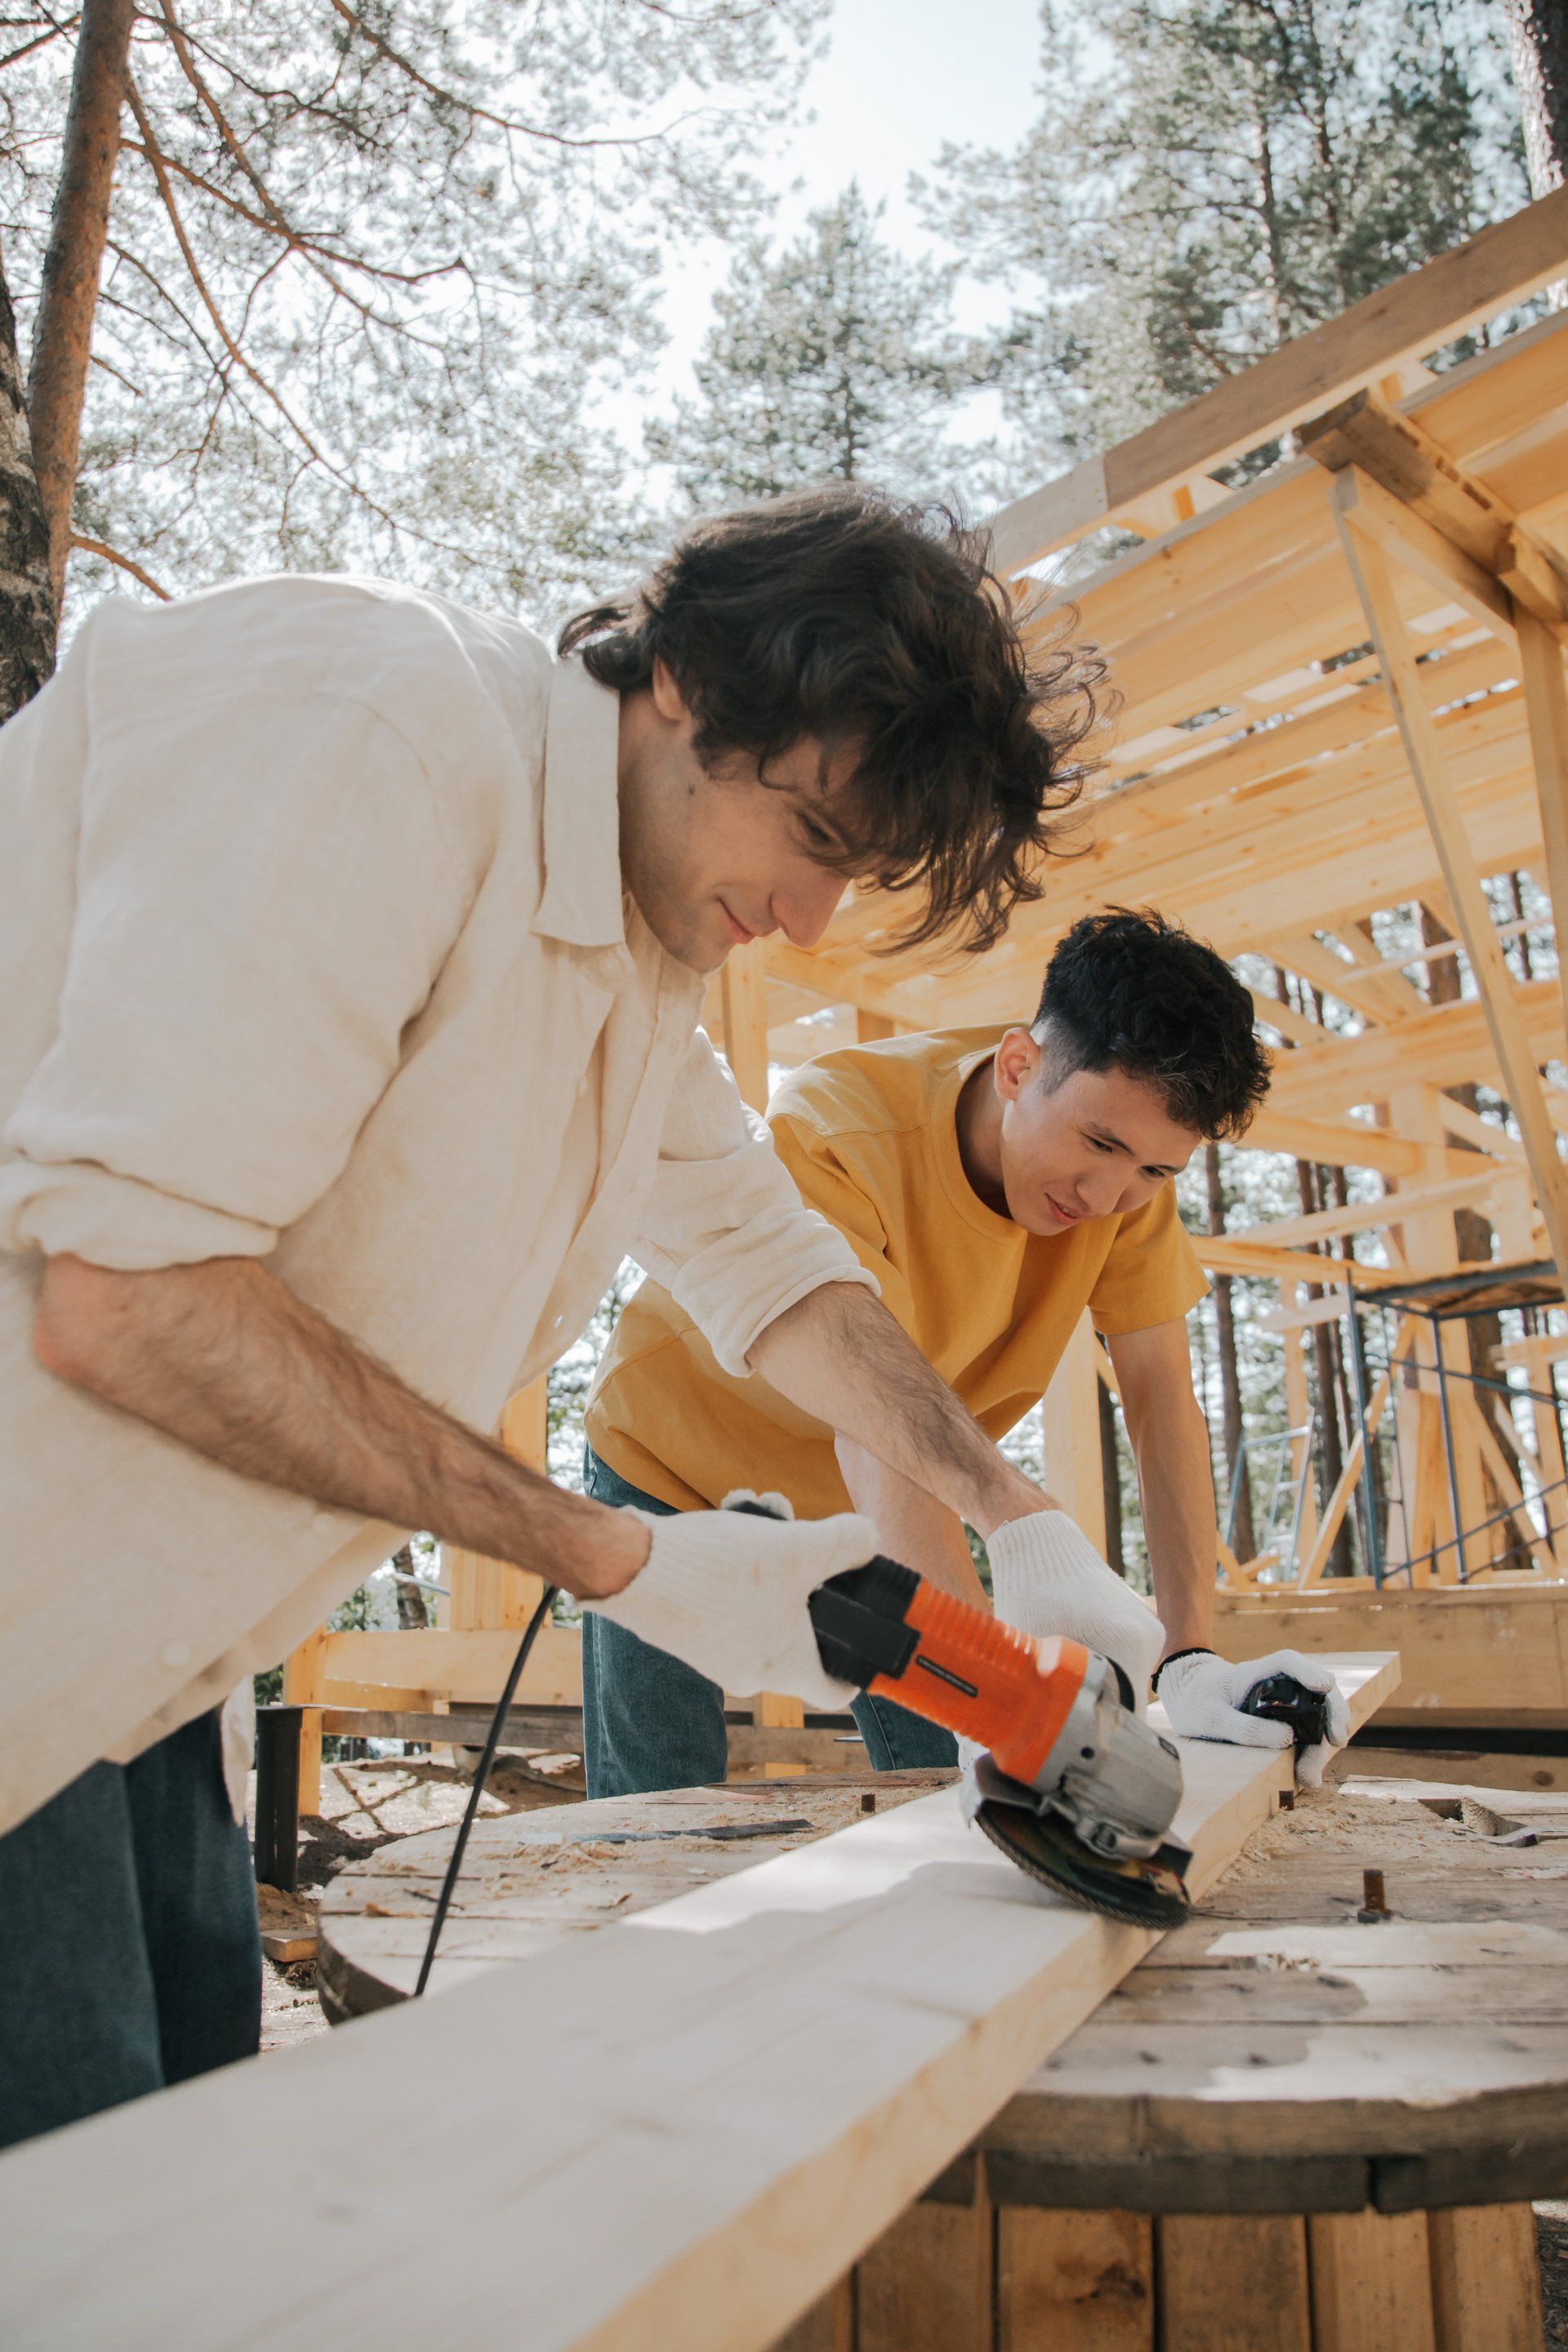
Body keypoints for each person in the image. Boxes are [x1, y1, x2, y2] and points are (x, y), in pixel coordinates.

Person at [0, 488, 1147, 2151]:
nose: (814, 923)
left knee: (179, 2160)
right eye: (819, 839)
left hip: (136, 1636)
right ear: (685, 681)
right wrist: (618, 1559)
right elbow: (129, 1293)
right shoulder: (372, 735)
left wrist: (1010, 1506)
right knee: (70, 2233)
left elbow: (768, 1263)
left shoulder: (627, 956)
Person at [584, 908, 1351, 1795]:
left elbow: (1161, 1399)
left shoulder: (1126, 1183)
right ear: (1019, 1066)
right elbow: (871, 1425)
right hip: (675, 1462)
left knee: (941, 1774)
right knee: (661, 1799)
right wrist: (1007, 1703)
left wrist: (1188, 1656)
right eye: (1099, 1145)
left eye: (1154, 1170)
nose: (1108, 1196)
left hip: (875, 1493)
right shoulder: (841, 1130)